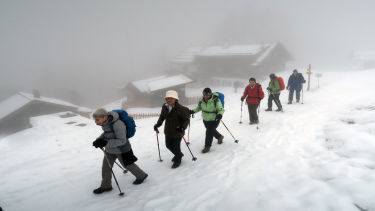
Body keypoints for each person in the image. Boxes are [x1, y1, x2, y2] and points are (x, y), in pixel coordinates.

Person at [92, 108, 148, 194]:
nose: (96, 122)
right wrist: (99, 140)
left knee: (128, 166)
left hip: (122, 149)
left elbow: (122, 140)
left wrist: (105, 143)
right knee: (106, 168)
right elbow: (106, 133)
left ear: (105, 117)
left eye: (97, 120)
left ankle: (142, 176)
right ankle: (106, 186)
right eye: (95, 120)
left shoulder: (118, 124)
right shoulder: (105, 123)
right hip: (110, 150)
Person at [153, 90, 190, 169]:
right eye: (168, 98)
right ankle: (179, 154)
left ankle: (178, 159)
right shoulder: (164, 107)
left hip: (178, 132)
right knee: (168, 146)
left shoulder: (181, 109)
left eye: (171, 98)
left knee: (176, 147)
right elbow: (162, 116)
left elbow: (186, 120)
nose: (169, 100)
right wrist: (158, 125)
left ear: (176, 99)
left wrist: (183, 127)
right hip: (168, 131)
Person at [190, 88, 224, 153]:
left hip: (215, 119)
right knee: (211, 130)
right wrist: (193, 111)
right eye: (204, 94)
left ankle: (207, 147)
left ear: (210, 94)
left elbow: (221, 109)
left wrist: (220, 114)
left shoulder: (216, 100)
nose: (206, 96)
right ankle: (220, 137)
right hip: (206, 119)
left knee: (209, 132)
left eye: (207, 94)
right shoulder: (201, 100)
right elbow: (199, 107)